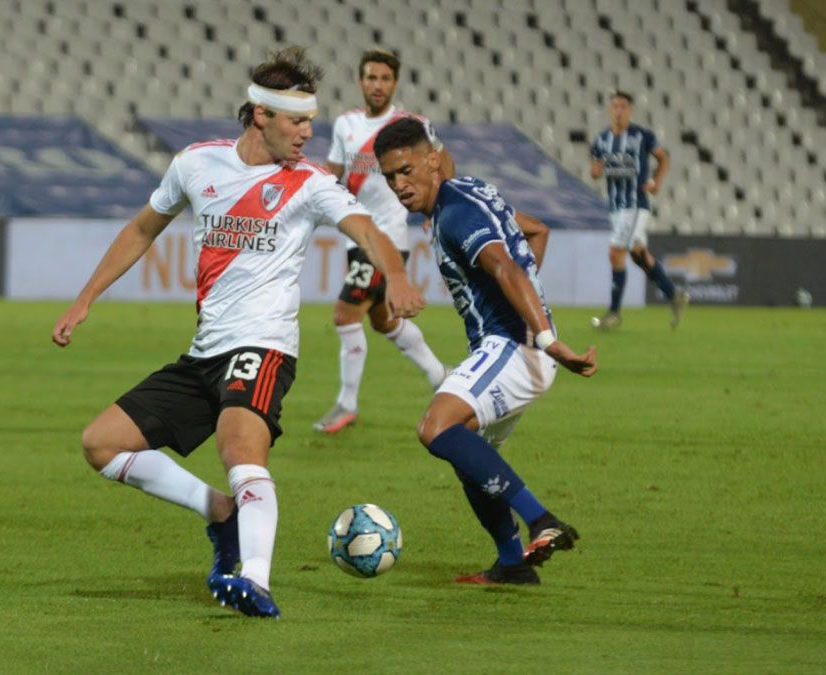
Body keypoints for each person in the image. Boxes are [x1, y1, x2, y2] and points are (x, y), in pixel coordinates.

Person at [52, 47, 425, 617]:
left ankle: (255, 580)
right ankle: (220, 512)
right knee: (100, 444)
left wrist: (395, 274)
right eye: (297, 121)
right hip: (205, 352)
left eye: (310, 121)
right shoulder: (197, 164)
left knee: (240, 449)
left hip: (264, 345)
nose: (308, 133)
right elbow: (143, 228)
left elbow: (368, 229)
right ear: (261, 115)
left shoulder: (310, 182)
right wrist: (86, 298)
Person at [374, 117, 597, 585]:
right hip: (516, 347)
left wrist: (545, 338)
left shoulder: (456, 213)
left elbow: (506, 269)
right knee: (469, 458)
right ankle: (512, 565)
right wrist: (526, 304)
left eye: (406, 171)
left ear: (433, 160)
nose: (399, 185)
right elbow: (536, 233)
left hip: (514, 346)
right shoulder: (470, 193)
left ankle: (542, 520)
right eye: (390, 176)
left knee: (435, 427)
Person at [313, 49, 451, 434]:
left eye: (385, 78)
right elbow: (332, 174)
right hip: (355, 237)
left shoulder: (411, 127)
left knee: (345, 314)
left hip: (388, 238)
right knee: (383, 320)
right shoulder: (345, 125)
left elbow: (443, 164)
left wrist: (440, 207)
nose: (378, 85)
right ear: (360, 82)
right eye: (371, 77)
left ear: (395, 83)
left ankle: (346, 404)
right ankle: (440, 375)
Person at [589, 89, 689, 330]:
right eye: (615, 106)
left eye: (623, 106)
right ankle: (673, 295)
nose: (619, 111)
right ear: (610, 110)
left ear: (630, 110)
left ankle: (614, 314)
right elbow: (595, 171)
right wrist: (596, 170)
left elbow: (663, 158)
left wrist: (656, 182)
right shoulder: (602, 140)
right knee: (637, 254)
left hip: (635, 204)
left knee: (615, 252)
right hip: (615, 207)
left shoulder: (642, 136)